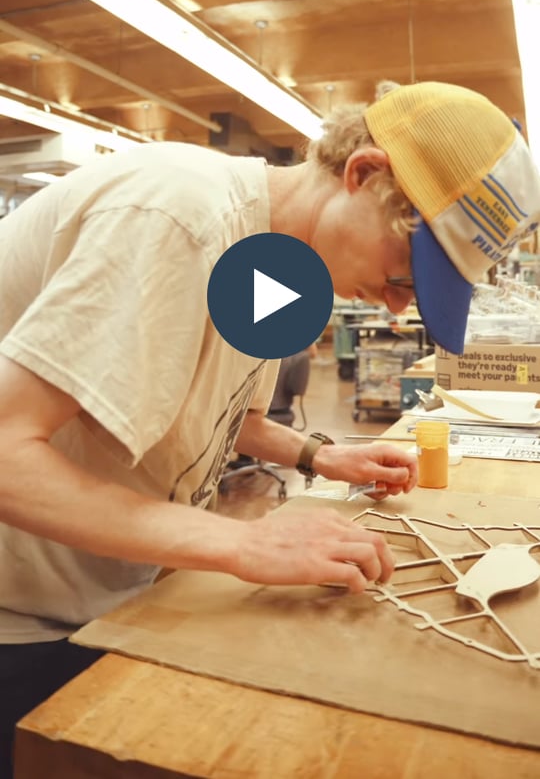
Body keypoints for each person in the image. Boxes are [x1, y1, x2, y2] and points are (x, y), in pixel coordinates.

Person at [0, 80, 539, 771]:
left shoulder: (276, 266)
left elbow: (228, 416)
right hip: (21, 617)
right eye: (409, 270)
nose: (402, 306)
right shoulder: (179, 216)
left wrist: (320, 455)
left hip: (114, 590)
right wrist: (239, 542)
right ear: (364, 174)